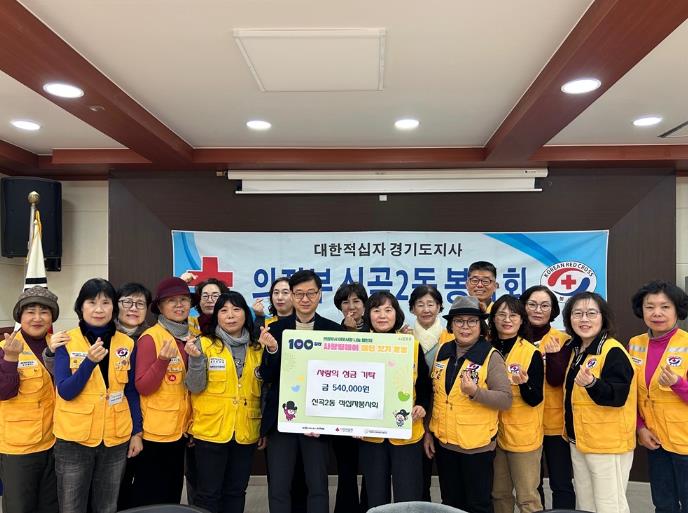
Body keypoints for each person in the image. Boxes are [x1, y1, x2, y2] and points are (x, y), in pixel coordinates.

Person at [53, 278, 142, 513]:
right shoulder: (65, 341)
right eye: (91, 302)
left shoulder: (127, 343)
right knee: (72, 507)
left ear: (114, 307)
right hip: (74, 439)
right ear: (81, 307)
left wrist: (137, 433)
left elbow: (131, 392)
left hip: (115, 438)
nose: (99, 309)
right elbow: (66, 391)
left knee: (107, 506)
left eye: (106, 302)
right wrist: (89, 362)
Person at [258, 270, 342, 513]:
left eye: (311, 293)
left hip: (318, 421)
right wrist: (272, 350)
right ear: (292, 296)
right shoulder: (275, 330)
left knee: (317, 486)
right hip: (282, 421)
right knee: (279, 487)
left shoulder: (334, 331)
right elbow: (267, 376)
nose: (305, 299)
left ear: (320, 295)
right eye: (299, 294)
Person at [424, 296, 512, 513]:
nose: (465, 327)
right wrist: (428, 432)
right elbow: (435, 395)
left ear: (480, 326)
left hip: (477, 448)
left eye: (472, 321)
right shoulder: (443, 350)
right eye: (459, 321)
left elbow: (505, 399)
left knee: (478, 505)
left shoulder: (490, 356)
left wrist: (475, 392)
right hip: (445, 444)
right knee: (451, 504)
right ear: (451, 325)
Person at [185, 291, 263, 513]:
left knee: (236, 491)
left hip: (246, 430)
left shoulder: (257, 347)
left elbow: (264, 390)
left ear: (245, 314)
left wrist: (264, 428)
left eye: (236, 309)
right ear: (216, 315)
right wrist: (196, 360)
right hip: (210, 431)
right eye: (224, 310)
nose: (230, 315)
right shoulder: (203, 344)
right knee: (208, 493)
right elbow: (194, 387)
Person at [561, 292, 636, 513]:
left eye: (591, 313)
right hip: (580, 440)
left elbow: (618, 396)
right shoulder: (578, 349)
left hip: (606, 443)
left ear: (603, 317)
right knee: (585, 502)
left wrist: (593, 383)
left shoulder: (612, 351)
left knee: (609, 504)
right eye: (577, 314)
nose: (584, 319)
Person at [359, 291, 431, 507]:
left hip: (406, 432)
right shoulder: (358, 345)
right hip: (371, 435)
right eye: (376, 310)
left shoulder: (411, 344)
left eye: (388, 310)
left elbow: (424, 385)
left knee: (408, 496)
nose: (382, 315)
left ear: (396, 314)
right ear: (368, 315)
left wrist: (422, 405)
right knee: (376, 498)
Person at [132, 277, 199, 506]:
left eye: (184, 299)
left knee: (172, 495)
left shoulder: (192, 336)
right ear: (160, 307)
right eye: (171, 300)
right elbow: (143, 386)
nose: (179, 305)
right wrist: (162, 361)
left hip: (180, 432)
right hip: (155, 434)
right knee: (152, 498)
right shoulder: (151, 338)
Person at [0, 286, 66, 513]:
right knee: (20, 507)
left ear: (52, 317)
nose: (37, 318)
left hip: (54, 442)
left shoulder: (59, 345)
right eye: (30, 312)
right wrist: (10, 359)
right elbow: (3, 392)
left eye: (44, 312)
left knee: (51, 507)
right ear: (20, 316)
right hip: (19, 449)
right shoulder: (4, 348)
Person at [629, 281, 688, 513]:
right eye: (650, 307)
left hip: (685, 442)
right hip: (654, 440)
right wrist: (640, 428)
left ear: (677, 310)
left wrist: (678, 384)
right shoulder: (635, 344)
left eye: (665, 307)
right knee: (663, 504)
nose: (657, 313)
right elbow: (631, 394)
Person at [520, 285, 575, 509]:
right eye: (532, 304)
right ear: (523, 307)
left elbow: (557, 380)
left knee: (561, 482)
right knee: (532, 484)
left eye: (544, 305)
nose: (538, 310)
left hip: (554, 424)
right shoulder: (516, 339)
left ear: (553, 310)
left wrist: (553, 357)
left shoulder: (564, 340)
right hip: (524, 421)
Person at [488, 295, 543, 513]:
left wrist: (524, 384)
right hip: (493, 434)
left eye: (513, 315)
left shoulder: (531, 352)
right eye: (501, 314)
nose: (507, 320)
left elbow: (535, 398)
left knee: (527, 498)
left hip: (523, 437)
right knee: (499, 494)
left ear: (522, 320)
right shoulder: (486, 348)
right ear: (493, 319)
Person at [409, 285, 453, 501]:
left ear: (439, 307)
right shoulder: (404, 339)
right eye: (420, 304)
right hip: (414, 415)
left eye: (431, 304)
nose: (426, 309)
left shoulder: (452, 338)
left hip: (446, 415)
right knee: (418, 479)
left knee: (449, 479)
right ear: (412, 309)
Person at [115, 282, 152, 511]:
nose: (133, 308)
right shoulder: (104, 337)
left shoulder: (151, 338)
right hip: (114, 425)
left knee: (139, 488)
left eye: (140, 303)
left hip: (149, 424)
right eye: (127, 302)